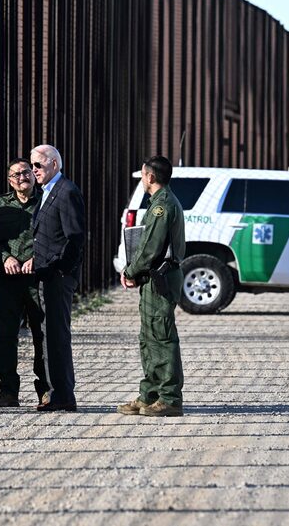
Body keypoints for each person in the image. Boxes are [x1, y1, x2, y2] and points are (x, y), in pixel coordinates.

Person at [117, 156, 186, 417]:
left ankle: (169, 398)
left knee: (162, 336)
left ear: (151, 177)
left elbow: (150, 248)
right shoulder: (159, 203)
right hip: (154, 278)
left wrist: (131, 270)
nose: (143, 180)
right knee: (149, 338)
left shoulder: (162, 206)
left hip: (161, 277)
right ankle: (150, 394)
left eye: (143, 175)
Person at [0, 159, 48, 407]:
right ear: (10, 181)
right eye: (16, 174)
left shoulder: (45, 202)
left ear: (33, 175)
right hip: (8, 280)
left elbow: (55, 236)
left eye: (26, 172)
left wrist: (37, 258)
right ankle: (8, 391)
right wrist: (5, 257)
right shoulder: (0, 205)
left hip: (37, 279)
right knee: (6, 335)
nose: (22, 177)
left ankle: (46, 390)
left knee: (41, 336)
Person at [30, 144, 85, 412]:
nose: (33, 170)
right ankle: (59, 391)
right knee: (49, 334)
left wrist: (62, 269)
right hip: (46, 273)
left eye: (38, 165)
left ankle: (62, 393)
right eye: (32, 166)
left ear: (53, 164)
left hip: (57, 275)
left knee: (56, 334)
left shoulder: (66, 192)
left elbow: (75, 237)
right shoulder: (48, 192)